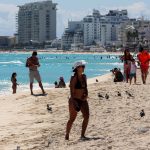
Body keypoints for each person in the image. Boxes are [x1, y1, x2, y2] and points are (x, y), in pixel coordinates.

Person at [65, 60, 89, 140]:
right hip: (74, 100)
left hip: (83, 100)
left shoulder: (84, 76)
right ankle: (67, 134)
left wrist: (86, 95)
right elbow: (71, 92)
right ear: (77, 68)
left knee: (87, 116)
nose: (83, 68)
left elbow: (85, 87)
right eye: (82, 66)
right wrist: (74, 102)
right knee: (72, 119)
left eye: (83, 66)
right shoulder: (74, 78)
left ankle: (82, 135)